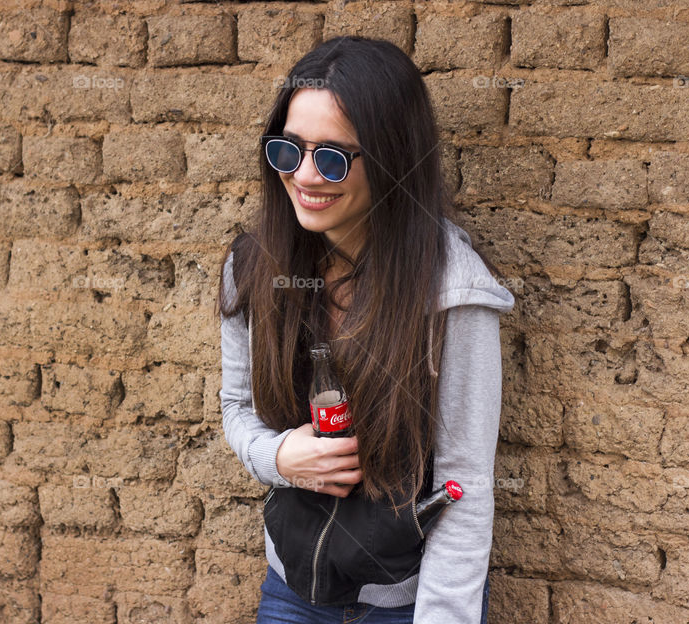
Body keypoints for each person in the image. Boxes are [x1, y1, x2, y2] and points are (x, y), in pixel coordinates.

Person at [215, 36, 515, 624]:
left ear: (390, 159)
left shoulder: (452, 292)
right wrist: (279, 456)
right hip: (295, 585)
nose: (304, 176)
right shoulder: (254, 267)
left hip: (409, 598)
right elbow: (236, 405)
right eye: (289, 150)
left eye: (331, 157)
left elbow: (465, 489)